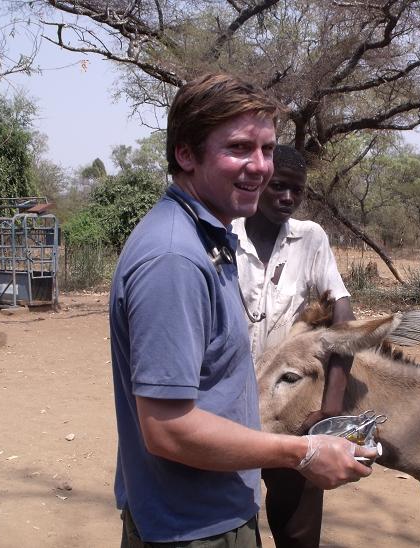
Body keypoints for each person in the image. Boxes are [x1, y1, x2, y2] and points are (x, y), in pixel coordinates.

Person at [108, 72, 376, 547]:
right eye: (238, 148)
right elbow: (168, 431)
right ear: (185, 154)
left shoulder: (210, 238)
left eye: (267, 149)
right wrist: (302, 452)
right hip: (191, 525)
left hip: (210, 507)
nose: (259, 167)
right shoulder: (175, 258)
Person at [232, 144, 355, 548]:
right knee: (231, 514)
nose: (287, 198)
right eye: (279, 187)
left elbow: (342, 309)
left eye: (296, 191)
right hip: (229, 403)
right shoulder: (225, 236)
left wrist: (332, 403)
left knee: (298, 526)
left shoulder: (310, 238)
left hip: (289, 406)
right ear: (260, 181)